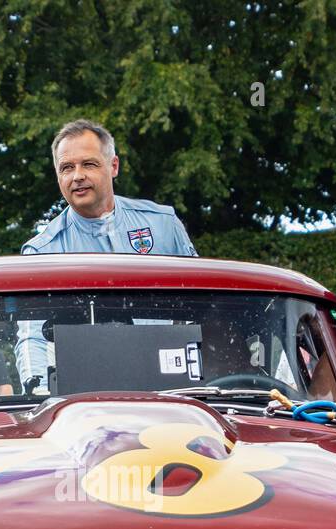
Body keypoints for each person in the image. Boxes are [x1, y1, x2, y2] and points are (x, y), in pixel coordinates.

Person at [14, 119, 198, 389]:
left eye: (88, 164)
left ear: (113, 166)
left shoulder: (163, 225)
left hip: (171, 389)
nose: (77, 176)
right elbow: (33, 339)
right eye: (67, 167)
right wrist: (42, 398)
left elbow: (204, 310)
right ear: (58, 176)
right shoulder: (42, 252)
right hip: (86, 399)